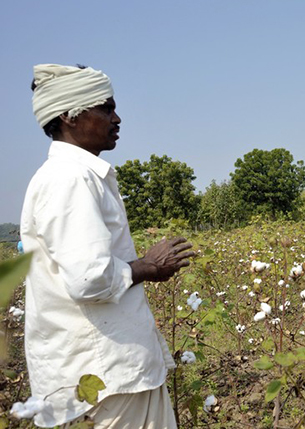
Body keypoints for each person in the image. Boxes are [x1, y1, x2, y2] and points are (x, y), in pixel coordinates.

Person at [21, 64, 195, 428]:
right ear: (69, 116)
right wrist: (149, 266)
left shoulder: (76, 176)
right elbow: (89, 278)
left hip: (110, 373)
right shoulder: (70, 179)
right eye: (105, 108)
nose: (116, 119)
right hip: (107, 376)